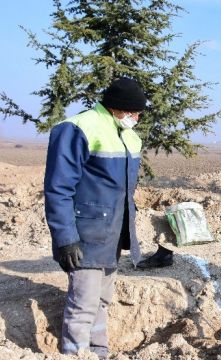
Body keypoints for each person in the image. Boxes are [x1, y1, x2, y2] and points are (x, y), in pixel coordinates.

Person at [44, 77, 147, 358]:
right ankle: (75, 354)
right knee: (83, 305)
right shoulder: (78, 129)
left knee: (102, 302)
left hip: (112, 236)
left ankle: (98, 353)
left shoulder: (128, 136)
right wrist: (66, 239)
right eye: (134, 112)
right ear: (119, 108)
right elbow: (58, 188)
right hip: (85, 238)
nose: (137, 118)